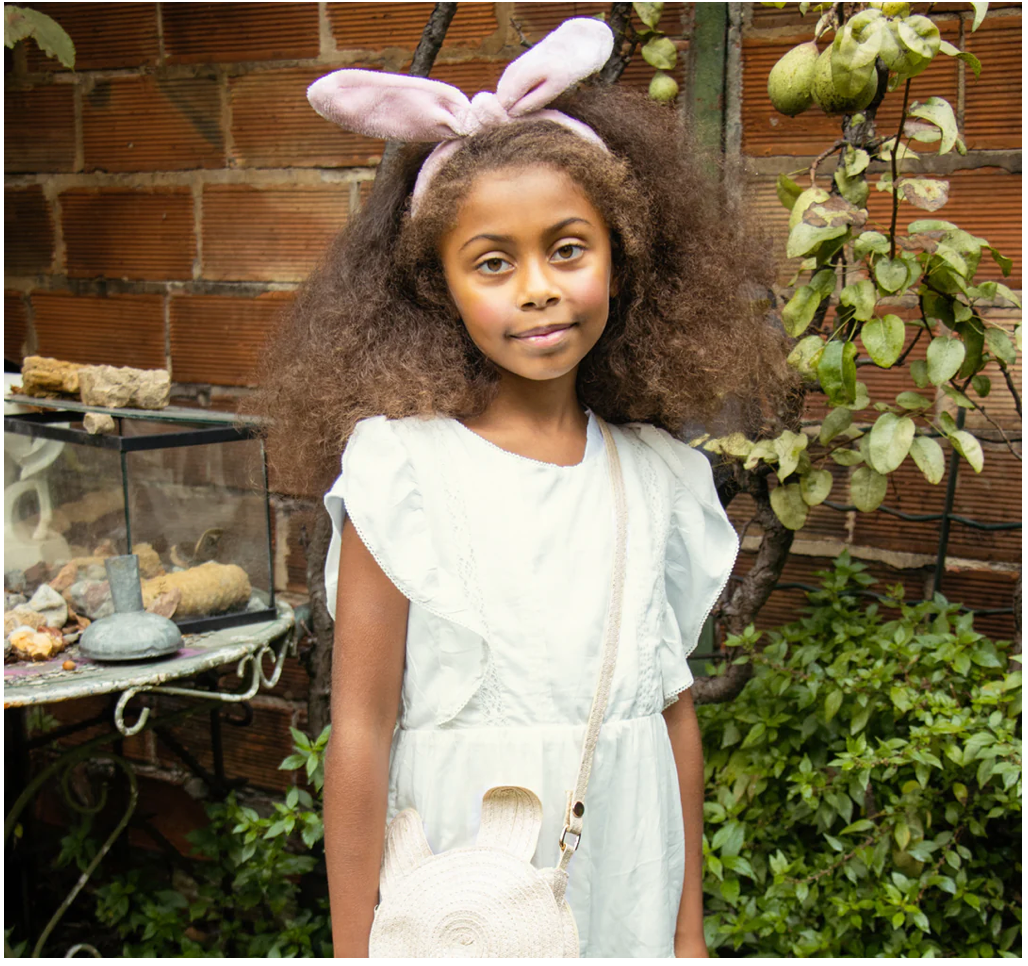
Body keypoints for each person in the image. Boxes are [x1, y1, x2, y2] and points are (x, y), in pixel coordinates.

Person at [251, 18, 787, 958]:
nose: (537, 288)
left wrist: (686, 933)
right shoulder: (403, 474)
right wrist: (352, 949)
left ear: (622, 257)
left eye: (568, 249)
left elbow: (671, 715)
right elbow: (361, 733)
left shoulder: (657, 478)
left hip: (621, 868)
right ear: (439, 287)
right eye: (493, 262)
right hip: (457, 890)